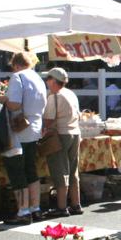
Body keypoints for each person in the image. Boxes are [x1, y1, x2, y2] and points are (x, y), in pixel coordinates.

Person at [1, 52, 47, 224]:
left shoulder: (17, 77)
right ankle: (35, 208)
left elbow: (14, 104)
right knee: (30, 168)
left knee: (16, 169)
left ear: (15, 64)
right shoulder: (38, 78)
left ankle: (23, 211)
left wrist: (2, 99)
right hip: (35, 127)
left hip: (19, 129)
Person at [41, 67, 83, 217]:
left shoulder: (54, 96)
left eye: (48, 79)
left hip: (60, 134)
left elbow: (49, 119)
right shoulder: (70, 93)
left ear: (53, 81)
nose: (46, 82)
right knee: (73, 170)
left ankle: (61, 206)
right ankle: (76, 204)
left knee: (60, 170)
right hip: (75, 133)